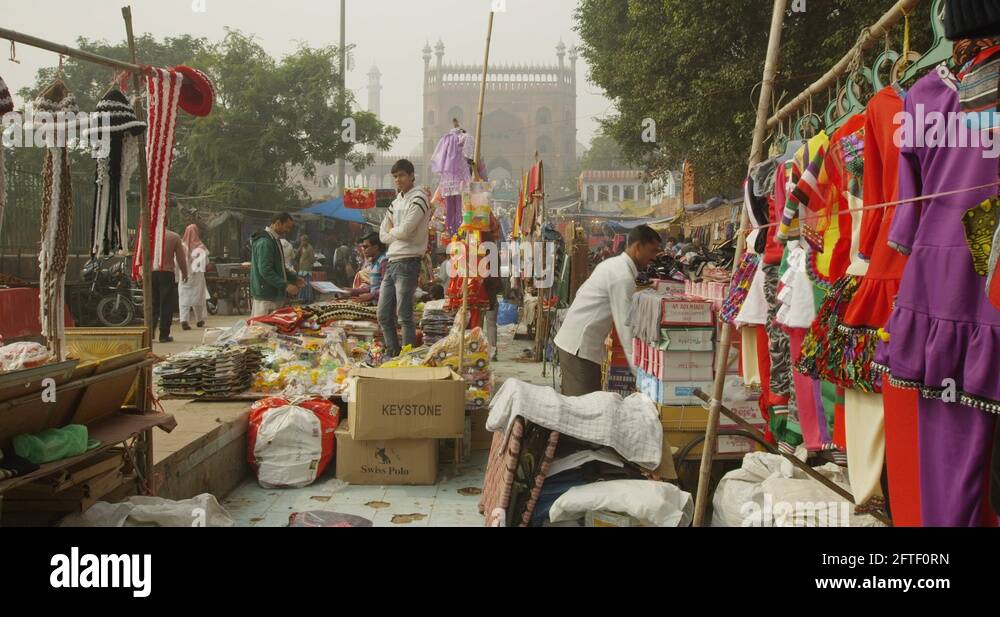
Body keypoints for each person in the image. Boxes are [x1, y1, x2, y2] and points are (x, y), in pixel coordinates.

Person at [553, 225, 662, 396]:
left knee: (582, 408)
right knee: (586, 412)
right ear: (638, 247)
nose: (654, 257)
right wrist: (641, 378)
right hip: (579, 347)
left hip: (576, 344)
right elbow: (625, 328)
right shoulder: (622, 276)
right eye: (652, 251)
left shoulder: (614, 265)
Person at [378, 159, 432, 357]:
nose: (397, 180)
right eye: (395, 177)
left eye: (401, 175)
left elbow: (408, 231)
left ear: (411, 175)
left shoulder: (419, 198)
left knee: (404, 316)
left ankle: (407, 356)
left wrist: (394, 231)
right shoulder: (396, 201)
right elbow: (382, 234)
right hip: (392, 261)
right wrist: (395, 233)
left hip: (408, 261)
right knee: (383, 314)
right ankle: (393, 351)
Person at [250, 212, 304, 317]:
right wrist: (286, 285)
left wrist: (294, 278)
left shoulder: (274, 240)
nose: (287, 231)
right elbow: (266, 271)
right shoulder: (265, 242)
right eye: (286, 227)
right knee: (263, 329)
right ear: (278, 223)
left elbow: (279, 266)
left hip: (274, 294)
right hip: (266, 295)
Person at [152, 227, 189, 343]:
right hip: (167, 273)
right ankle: (164, 335)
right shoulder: (174, 236)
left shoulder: (149, 236)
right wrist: (184, 272)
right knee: (166, 303)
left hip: (151, 273)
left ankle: (149, 332)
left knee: (152, 303)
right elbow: (180, 258)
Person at [340, 231, 387, 305]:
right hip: (375, 302)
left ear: (376, 247)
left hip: (382, 306)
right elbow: (372, 287)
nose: (363, 249)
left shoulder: (384, 262)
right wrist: (352, 291)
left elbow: (388, 288)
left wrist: (371, 296)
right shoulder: (375, 262)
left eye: (365, 247)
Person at [179, 223, 210, 330]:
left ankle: (184, 320)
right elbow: (206, 262)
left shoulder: (181, 246)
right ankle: (199, 320)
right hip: (198, 277)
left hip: (184, 276)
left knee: (184, 299)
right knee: (198, 298)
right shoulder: (201, 246)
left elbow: (176, 262)